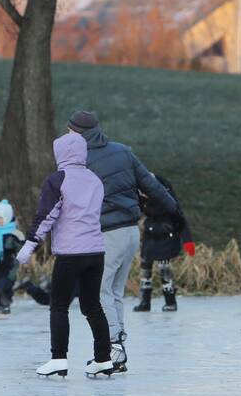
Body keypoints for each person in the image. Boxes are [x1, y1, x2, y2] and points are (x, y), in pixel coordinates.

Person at [68, 110, 177, 372]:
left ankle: (113, 348)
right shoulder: (122, 151)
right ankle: (116, 351)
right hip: (130, 231)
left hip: (107, 233)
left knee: (99, 291)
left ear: (80, 133)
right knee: (114, 291)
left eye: (70, 131)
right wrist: (171, 206)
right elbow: (149, 184)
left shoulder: (80, 159)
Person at [17, 132, 114, 378]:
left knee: (58, 306)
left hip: (71, 254)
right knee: (92, 306)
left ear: (60, 153)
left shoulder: (57, 180)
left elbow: (46, 216)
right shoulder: (95, 179)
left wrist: (29, 246)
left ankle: (58, 358)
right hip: (95, 252)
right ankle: (103, 359)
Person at [134, 174, 195, 312]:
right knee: (145, 266)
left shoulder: (167, 198)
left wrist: (188, 241)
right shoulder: (142, 196)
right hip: (150, 233)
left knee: (164, 267)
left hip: (166, 234)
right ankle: (145, 302)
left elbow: (180, 218)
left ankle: (170, 301)